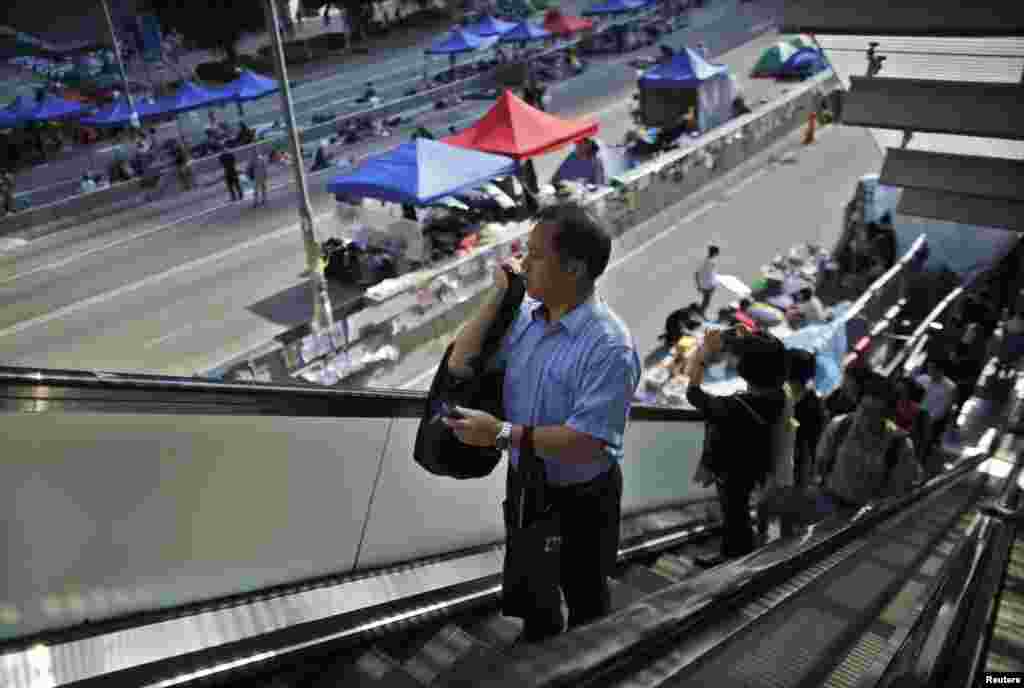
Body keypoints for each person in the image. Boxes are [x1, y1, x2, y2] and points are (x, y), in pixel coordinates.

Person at [445, 202, 641, 644]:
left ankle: (589, 661)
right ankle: (538, 644)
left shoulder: (610, 347)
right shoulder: (527, 320)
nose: (522, 262)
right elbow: (460, 363)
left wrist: (500, 433)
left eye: (535, 254)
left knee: (585, 594)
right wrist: (498, 295)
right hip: (529, 483)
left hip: (583, 496)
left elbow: (590, 441)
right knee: (531, 581)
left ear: (571, 267)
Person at [688, 328, 787, 561]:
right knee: (737, 510)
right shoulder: (777, 398)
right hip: (754, 467)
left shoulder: (735, 405)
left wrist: (702, 356)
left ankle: (734, 558)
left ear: (747, 368)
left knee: (733, 511)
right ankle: (733, 551)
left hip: (731, 470)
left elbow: (693, 394)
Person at [812, 374, 921, 516]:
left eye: (875, 414)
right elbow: (821, 463)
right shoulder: (840, 426)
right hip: (828, 503)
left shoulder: (900, 444)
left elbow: (898, 491)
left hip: (867, 517)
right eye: (864, 410)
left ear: (887, 416)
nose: (866, 420)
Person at [914, 359, 957, 470]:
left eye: (933, 369)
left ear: (940, 371)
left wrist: (929, 419)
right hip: (915, 415)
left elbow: (943, 408)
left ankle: (920, 465)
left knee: (924, 445)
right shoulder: (922, 379)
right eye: (929, 368)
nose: (930, 371)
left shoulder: (950, 387)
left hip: (932, 421)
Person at [694, 244, 719, 317]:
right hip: (707, 285)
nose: (717, 254)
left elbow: (711, 273)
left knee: (706, 301)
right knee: (706, 302)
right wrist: (698, 285)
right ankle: (700, 314)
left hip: (708, 285)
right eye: (717, 252)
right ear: (714, 253)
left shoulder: (710, 261)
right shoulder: (707, 261)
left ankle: (701, 313)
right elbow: (697, 273)